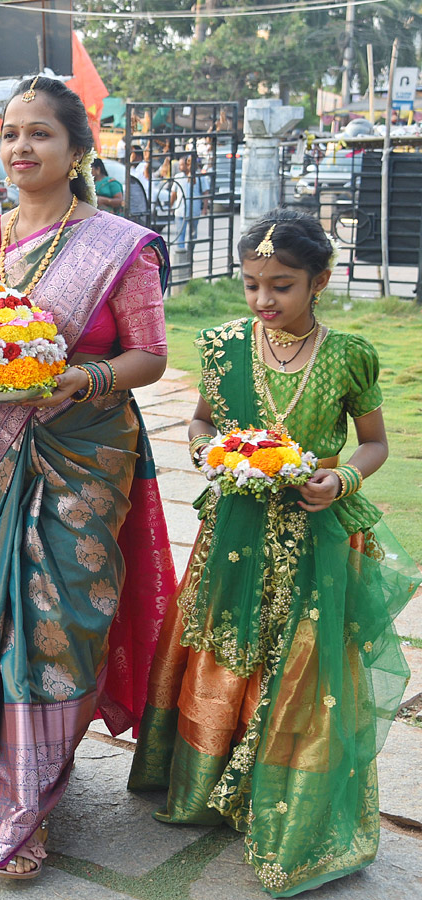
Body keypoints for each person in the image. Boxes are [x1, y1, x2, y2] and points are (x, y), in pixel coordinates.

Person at [129, 209, 418, 897]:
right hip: (235, 527)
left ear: (321, 281)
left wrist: (342, 476)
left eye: (281, 286)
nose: (263, 301)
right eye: (251, 285)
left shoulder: (350, 354)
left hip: (317, 531)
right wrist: (206, 448)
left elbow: (374, 442)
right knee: (227, 644)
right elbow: (203, 418)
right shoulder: (226, 343)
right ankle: (206, 786)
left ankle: (285, 801)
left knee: (304, 661)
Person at [0, 75, 177, 880]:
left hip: (85, 452)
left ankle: (28, 799)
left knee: (63, 618)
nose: (20, 148)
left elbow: (149, 354)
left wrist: (86, 380)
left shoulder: (119, 244)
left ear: (77, 151)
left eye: (40, 134)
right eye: (9, 134)